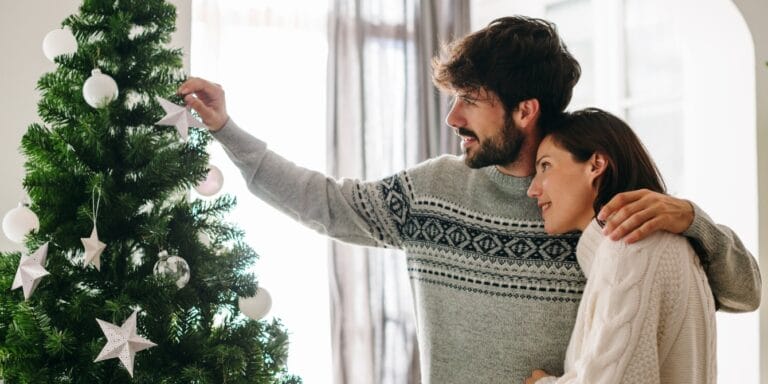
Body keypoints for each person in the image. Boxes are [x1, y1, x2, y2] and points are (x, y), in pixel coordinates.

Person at [177, 16, 760, 383]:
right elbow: (326, 203)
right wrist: (229, 131)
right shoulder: (434, 191)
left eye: (470, 99)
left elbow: (743, 292)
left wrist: (694, 221)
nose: (453, 117)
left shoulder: (598, 214)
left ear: (524, 110)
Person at [524, 108, 718, 384]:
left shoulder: (629, 248)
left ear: (596, 164)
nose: (533, 188)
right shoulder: (658, 244)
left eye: (545, 166)